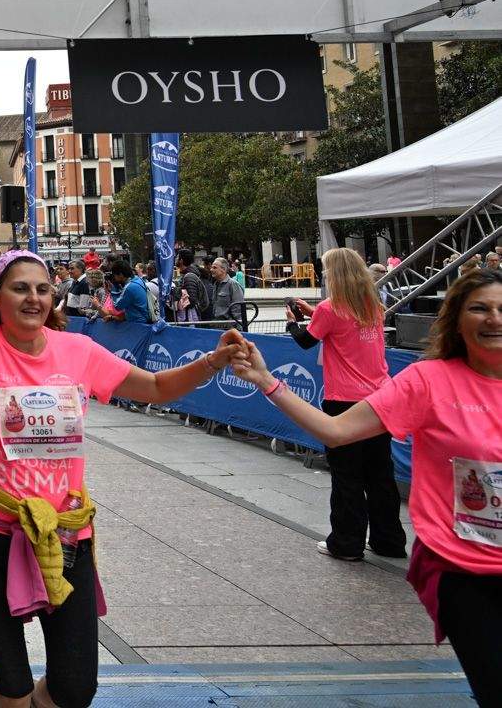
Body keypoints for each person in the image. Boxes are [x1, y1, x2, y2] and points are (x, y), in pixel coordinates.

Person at [0, 232, 244, 708]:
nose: (34, 298)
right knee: (11, 685)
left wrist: (213, 361)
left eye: (43, 289)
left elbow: (154, 387)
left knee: (75, 688)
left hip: (65, 532)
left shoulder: (78, 351)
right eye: (20, 288)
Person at [231, 268, 502, 706]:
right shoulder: (428, 380)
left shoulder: (349, 308)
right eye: (480, 308)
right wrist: (267, 381)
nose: (494, 318)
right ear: (456, 318)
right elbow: (335, 431)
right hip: (464, 570)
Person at [284, 249, 407, 562]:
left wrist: (293, 323)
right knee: (380, 473)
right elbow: (344, 326)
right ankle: (389, 540)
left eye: (326, 271)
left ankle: (347, 542)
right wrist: (314, 311)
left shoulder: (330, 309)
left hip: (344, 401)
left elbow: (307, 340)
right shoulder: (372, 305)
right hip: (379, 397)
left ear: (335, 274)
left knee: (346, 474)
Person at [207, 258, 246, 327]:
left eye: (214, 267)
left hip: (229, 327)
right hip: (217, 326)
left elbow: (238, 308)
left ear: (223, 269)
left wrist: (233, 327)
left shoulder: (233, 284)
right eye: (212, 267)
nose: (211, 270)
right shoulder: (216, 284)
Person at [173, 257, 209, 323]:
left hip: (189, 318)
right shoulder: (185, 274)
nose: (175, 259)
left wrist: (179, 300)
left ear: (181, 260)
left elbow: (191, 301)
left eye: (177, 257)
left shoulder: (189, 276)